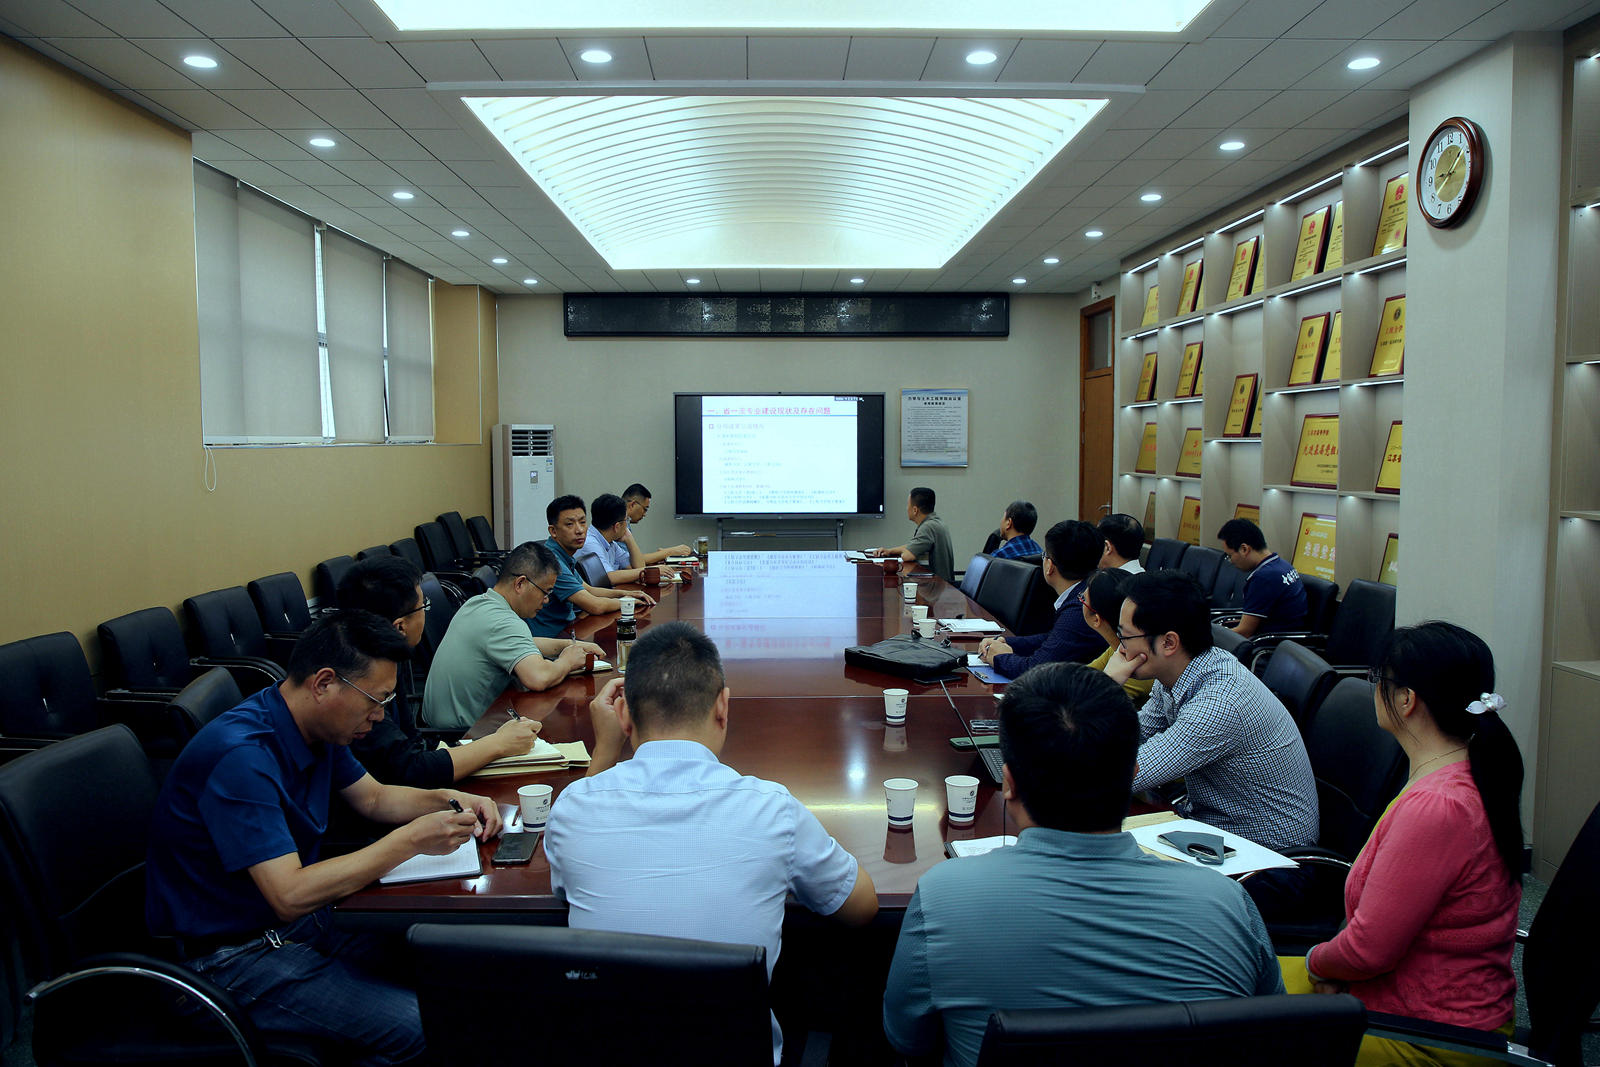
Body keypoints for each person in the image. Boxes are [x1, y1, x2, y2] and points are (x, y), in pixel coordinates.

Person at [145, 611, 503, 1066]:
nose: (380, 716)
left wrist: (449, 799)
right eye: (375, 700)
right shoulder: (241, 758)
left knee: (453, 960)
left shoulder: (313, 726)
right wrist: (409, 841)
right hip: (226, 961)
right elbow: (289, 894)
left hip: (289, 927)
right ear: (324, 683)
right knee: (422, 1029)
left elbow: (374, 798)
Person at [882, 662, 1283, 1067]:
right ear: (1133, 774)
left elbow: (907, 1039)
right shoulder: (1227, 903)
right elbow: (1272, 1037)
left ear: (1009, 783)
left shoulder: (944, 898)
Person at [544, 622, 878, 1064]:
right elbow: (861, 908)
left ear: (623, 715)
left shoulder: (573, 808)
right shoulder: (772, 810)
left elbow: (566, 886)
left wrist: (605, 750)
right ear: (723, 706)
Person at [1290, 622, 1524, 1067]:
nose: (1373, 689)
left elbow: (1366, 951)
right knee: (1239, 975)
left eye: (1378, 679)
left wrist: (1317, 965)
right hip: (1402, 1000)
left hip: (1428, 1035)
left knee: (1231, 1013)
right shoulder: (1460, 773)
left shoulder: (1438, 807)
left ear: (1406, 700)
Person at [1105, 570, 1317, 853]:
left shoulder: (1218, 704)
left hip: (1264, 856)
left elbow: (1118, 777)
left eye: (1125, 636)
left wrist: (1106, 686)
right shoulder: (1182, 672)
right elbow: (1133, 735)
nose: (1119, 649)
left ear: (1169, 643)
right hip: (1211, 829)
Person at [338, 555, 541, 784]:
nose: (425, 613)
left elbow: (411, 742)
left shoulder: (387, 656)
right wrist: (499, 743)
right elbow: (408, 770)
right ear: (400, 627)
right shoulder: (358, 686)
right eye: (423, 606)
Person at [422, 541, 605, 729]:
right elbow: (539, 677)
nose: (546, 600)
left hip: (443, 725)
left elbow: (522, 643)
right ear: (520, 584)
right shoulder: (504, 622)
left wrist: (567, 645)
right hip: (464, 734)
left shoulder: (478, 603)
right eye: (545, 592)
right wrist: (567, 661)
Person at [978, 519, 1105, 674]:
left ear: (1049, 566)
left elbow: (1035, 669)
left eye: (1044, 555)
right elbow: (1054, 639)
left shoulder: (1079, 607)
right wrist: (1008, 642)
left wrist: (999, 657)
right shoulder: (1089, 589)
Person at [528, 494, 655, 638]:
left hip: (568, 628)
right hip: (552, 637)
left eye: (582, 522)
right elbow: (595, 605)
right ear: (553, 531)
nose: (579, 530)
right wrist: (628, 602)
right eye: (570, 524)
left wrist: (625, 594)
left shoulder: (563, 554)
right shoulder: (551, 561)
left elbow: (589, 590)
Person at [1217, 517, 1307, 635]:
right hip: (1285, 636)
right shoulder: (1282, 565)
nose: (1230, 561)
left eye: (1229, 555)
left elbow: (1245, 632)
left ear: (1244, 549)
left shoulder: (1264, 578)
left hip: (1272, 640)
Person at [1077, 567, 1153, 707]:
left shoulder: (1138, 668)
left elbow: (1087, 708)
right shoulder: (1120, 646)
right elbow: (1079, 677)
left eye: (1083, 599)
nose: (1081, 600)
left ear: (1096, 619)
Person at [871, 486, 955, 582]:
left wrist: (904, 552)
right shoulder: (936, 522)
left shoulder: (927, 527)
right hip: (942, 584)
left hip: (937, 586)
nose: (906, 508)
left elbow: (907, 556)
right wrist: (890, 551)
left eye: (908, 505)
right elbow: (914, 546)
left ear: (915, 510)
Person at [580, 491, 648, 585]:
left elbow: (638, 567)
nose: (627, 525)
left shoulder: (610, 542)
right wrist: (650, 571)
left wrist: (629, 539)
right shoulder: (590, 543)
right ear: (617, 526)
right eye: (626, 520)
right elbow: (608, 577)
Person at [622, 483, 692, 565]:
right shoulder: (619, 524)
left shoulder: (626, 523)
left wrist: (663, 553)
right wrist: (670, 552)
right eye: (645, 509)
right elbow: (630, 561)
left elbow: (634, 559)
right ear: (633, 505)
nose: (644, 514)